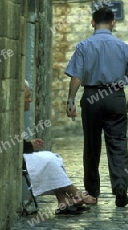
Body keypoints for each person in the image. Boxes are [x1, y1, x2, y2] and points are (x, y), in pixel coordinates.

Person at [65, 7, 128, 207]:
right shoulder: (123, 47)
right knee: (118, 144)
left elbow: (76, 76)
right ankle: (120, 188)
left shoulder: (84, 46)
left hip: (91, 97)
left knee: (91, 146)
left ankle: (92, 192)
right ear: (113, 23)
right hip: (115, 96)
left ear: (92, 23)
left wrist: (71, 100)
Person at [22, 82, 96, 215]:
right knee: (49, 160)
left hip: (22, 155)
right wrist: (28, 145)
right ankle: (75, 193)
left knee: (53, 158)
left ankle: (63, 200)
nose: (30, 100)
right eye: (27, 96)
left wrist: (29, 144)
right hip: (20, 157)